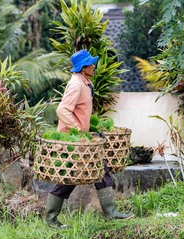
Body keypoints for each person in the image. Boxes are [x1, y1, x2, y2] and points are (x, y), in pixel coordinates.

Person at [45, 49, 134, 229]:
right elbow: (62, 110)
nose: (94, 66)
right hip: (73, 139)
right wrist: (78, 130)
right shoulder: (76, 84)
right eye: (91, 64)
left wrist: (90, 128)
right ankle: (51, 219)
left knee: (100, 169)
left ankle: (110, 213)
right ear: (83, 67)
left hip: (81, 139)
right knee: (69, 177)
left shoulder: (84, 83)